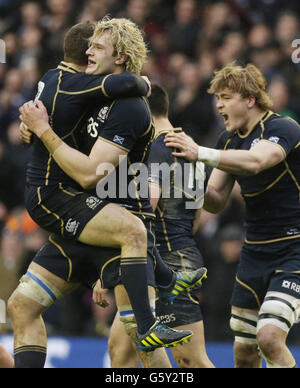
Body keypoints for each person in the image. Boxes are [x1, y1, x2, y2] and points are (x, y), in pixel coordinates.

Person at [11, 18, 204, 368]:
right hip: (85, 217)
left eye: (97, 47)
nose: (88, 51)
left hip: (117, 226)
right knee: (21, 307)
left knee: (134, 341)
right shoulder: (93, 91)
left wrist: (42, 130)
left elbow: (88, 173)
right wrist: (31, 126)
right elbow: (57, 104)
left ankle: (161, 287)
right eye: (89, 45)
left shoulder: (129, 106)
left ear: (120, 58)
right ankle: (166, 280)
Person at [164, 63, 300, 368]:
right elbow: (215, 201)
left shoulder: (282, 128)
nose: (219, 105)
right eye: (217, 98)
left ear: (250, 99)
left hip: (294, 250)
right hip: (254, 252)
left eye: (225, 97)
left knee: (268, 338)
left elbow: (256, 161)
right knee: (243, 353)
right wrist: (189, 181)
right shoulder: (228, 141)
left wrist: (200, 152)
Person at [107, 84, 214, 368]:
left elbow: (146, 206)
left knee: (191, 361)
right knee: (120, 349)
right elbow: (196, 217)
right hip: (169, 255)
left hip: (166, 260)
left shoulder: (157, 146)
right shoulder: (188, 146)